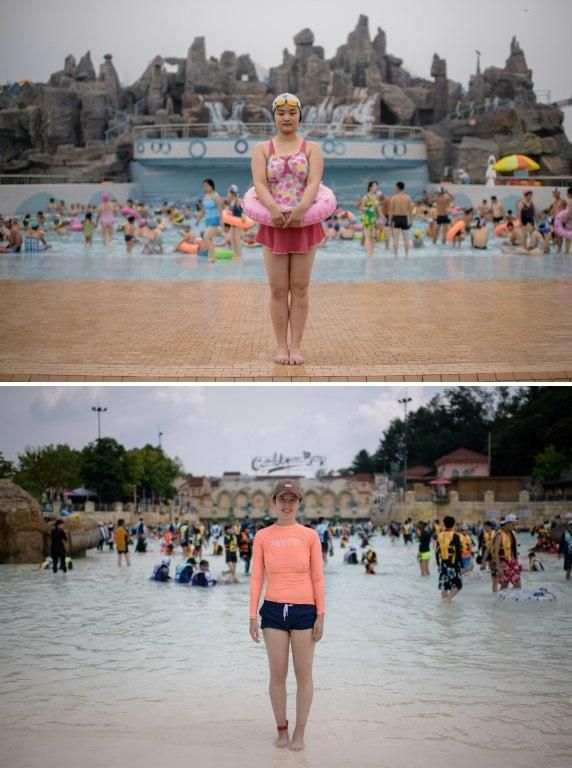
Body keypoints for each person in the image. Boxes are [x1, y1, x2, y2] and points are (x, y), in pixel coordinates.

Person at [249, 479, 324, 752]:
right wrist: (251, 616)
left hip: (305, 611)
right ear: (274, 502)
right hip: (272, 610)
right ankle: (281, 729)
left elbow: (317, 577)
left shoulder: (309, 535)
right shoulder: (262, 536)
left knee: (304, 674)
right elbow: (257, 577)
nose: (287, 504)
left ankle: (299, 732)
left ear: (299, 504)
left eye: (293, 500)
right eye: (282, 499)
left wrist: (321, 615)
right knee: (277, 673)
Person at [251, 93, 325, 366]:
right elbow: (259, 183)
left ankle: (296, 346)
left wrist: (301, 209)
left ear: (299, 115)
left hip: (304, 223)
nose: (286, 117)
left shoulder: (311, 148)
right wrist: (272, 209)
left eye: (291, 112)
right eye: (281, 112)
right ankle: (281, 347)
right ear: (274, 115)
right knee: (278, 289)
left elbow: (314, 182)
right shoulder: (262, 149)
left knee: (300, 287)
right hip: (274, 224)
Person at [195, 179, 224, 263]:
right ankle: (211, 257)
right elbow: (203, 210)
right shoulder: (205, 196)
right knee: (210, 239)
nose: (205, 188)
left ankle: (212, 257)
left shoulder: (216, 196)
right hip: (207, 220)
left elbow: (220, 208)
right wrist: (198, 220)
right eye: (204, 186)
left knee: (206, 237)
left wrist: (221, 220)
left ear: (211, 186)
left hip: (215, 219)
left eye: (206, 186)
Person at [435, 515, 463, 601]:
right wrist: (461, 565)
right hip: (453, 563)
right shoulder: (455, 535)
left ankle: (444, 603)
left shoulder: (440, 535)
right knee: (458, 585)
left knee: (444, 585)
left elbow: (437, 551)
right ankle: (448, 599)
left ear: (444, 524)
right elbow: (458, 551)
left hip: (443, 563)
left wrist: (438, 564)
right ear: (453, 525)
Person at [492, 514, 521, 590]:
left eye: (515, 525)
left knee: (518, 585)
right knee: (504, 584)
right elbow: (496, 553)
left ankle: (513, 600)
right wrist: (499, 567)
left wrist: (517, 562)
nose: (514, 527)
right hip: (503, 562)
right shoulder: (499, 535)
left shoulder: (512, 534)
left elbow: (514, 550)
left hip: (512, 562)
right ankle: (500, 601)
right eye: (512, 525)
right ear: (507, 523)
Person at [389, 181, 413, 257]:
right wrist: (411, 221)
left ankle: (395, 255)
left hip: (396, 218)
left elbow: (391, 211)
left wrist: (390, 221)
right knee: (406, 238)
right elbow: (410, 211)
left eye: (395, 187)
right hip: (404, 218)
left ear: (397, 187)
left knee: (396, 239)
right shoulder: (408, 197)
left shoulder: (394, 198)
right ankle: (406, 255)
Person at [358, 181, 381, 258]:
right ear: (370, 187)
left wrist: (381, 217)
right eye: (374, 186)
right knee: (368, 236)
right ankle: (369, 254)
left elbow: (378, 209)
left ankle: (372, 253)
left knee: (373, 236)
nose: (376, 187)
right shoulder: (365, 197)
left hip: (374, 218)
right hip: (367, 218)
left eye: (376, 186)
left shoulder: (377, 197)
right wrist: (368, 208)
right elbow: (361, 208)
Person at [226, 184, 245, 259]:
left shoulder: (238, 200)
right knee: (232, 239)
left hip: (238, 223)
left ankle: (239, 256)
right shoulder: (231, 202)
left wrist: (243, 216)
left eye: (228, 193)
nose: (227, 194)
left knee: (237, 239)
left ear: (233, 193)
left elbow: (244, 209)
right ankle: (236, 254)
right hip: (232, 223)